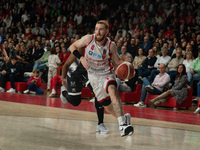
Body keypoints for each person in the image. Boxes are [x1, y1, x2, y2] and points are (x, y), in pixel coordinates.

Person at [62, 20, 133, 137]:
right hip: (92, 76)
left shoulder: (111, 45)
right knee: (106, 105)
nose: (98, 32)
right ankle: (124, 118)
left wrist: (127, 66)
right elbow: (72, 47)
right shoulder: (88, 39)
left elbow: (118, 62)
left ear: (107, 31)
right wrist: (81, 58)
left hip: (106, 74)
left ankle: (122, 125)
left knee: (112, 92)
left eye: (101, 29)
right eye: (96, 29)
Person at [61, 52, 109, 134]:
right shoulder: (81, 48)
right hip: (74, 74)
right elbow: (66, 65)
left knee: (98, 94)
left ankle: (100, 124)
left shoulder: (103, 48)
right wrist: (63, 79)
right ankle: (64, 92)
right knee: (75, 102)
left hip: (89, 72)